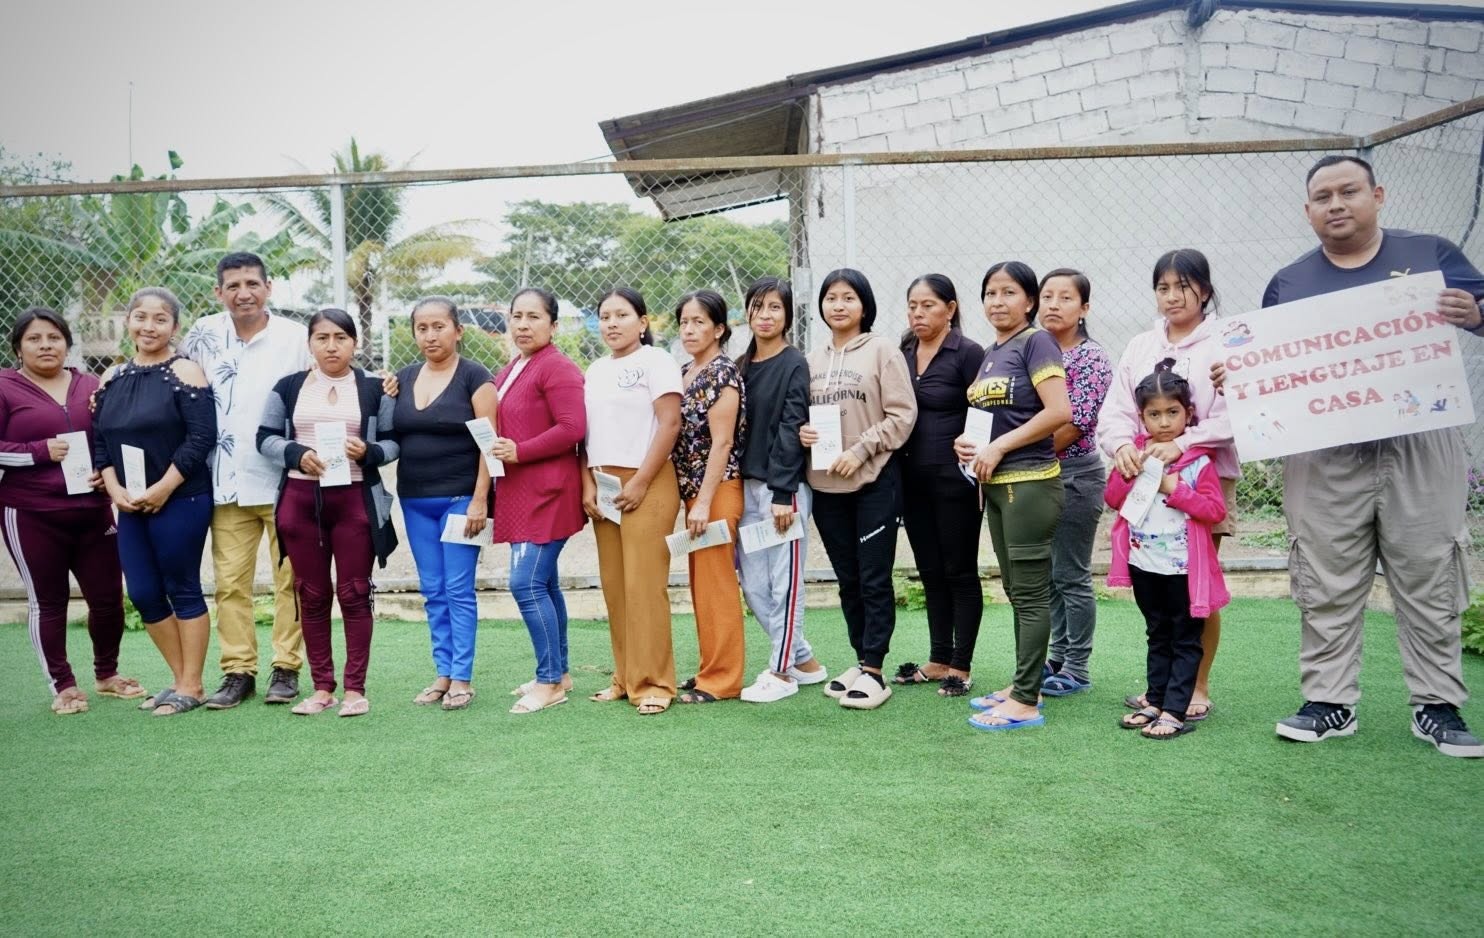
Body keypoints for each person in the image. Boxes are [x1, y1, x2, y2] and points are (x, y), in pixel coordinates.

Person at [1230, 154, 1484, 757]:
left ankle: (1437, 705)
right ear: (1308, 210)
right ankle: (1329, 702)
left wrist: (1476, 315)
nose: (1336, 205)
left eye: (1349, 192)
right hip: (1324, 449)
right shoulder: (1289, 282)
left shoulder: (1430, 255)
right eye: (1323, 197)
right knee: (1324, 575)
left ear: (1378, 195)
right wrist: (1238, 374)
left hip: (1419, 439)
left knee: (1428, 567)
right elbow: (1271, 364)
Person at [1097, 249, 1234, 722]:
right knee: (1158, 594)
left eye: (1183, 287)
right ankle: (1162, 690)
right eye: (1163, 287)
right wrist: (1122, 447)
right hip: (1143, 484)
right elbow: (1117, 411)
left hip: (1201, 477)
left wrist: (1183, 444)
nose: (1172, 296)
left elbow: (1236, 415)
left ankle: (1196, 686)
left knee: (1197, 588)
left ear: (1205, 291)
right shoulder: (1141, 345)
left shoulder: (1225, 343)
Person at [179, 252, 309, 709]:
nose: (244, 293)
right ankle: (238, 672)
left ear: (268, 287)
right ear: (219, 292)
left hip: (285, 480)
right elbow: (168, 376)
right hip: (224, 481)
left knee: (291, 580)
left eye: (252, 283)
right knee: (230, 584)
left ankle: (286, 668)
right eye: (233, 286)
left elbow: (333, 375)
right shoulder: (202, 334)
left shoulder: (296, 337)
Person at [256, 308, 399, 718]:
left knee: (354, 592)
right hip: (301, 500)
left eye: (341, 337)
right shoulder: (288, 387)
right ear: (310, 344)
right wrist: (296, 454)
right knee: (312, 594)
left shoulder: (375, 389)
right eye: (322, 338)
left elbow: (392, 443)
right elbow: (264, 438)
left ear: (355, 343)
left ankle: (355, 689)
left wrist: (368, 451)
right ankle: (322, 688)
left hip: (355, 499)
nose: (331, 346)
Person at [0, 308, 141, 715]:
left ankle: (107, 674)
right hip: (31, 512)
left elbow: (111, 438)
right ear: (18, 348)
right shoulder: (6, 387)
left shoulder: (91, 385)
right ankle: (62, 685)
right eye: (34, 339)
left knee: (108, 598)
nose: (45, 345)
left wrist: (106, 473)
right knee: (48, 601)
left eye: (54, 337)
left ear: (67, 343)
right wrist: (38, 452)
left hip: (93, 510)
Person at [92, 288, 217, 716]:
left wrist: (164, 487)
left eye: (160, 319)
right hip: (130, 503)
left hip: (181, 497)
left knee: (182, 587)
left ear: (174, 327)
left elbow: (201, 437)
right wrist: (115, 490)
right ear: (128, 321)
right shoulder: (112, 377)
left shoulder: (185, 371)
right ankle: (180, 680)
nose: (149, 326)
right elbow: (100, 443)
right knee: (144, 592)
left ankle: (192, 684)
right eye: (140, 317)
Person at [959, 261, 1071, 732]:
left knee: (1030, 593)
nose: (998, 302)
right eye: (990, 293)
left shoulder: (1036, 341)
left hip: (1030, 483)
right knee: (1016, 591)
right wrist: (970, 445)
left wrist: (1001, 446)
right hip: (996, 486)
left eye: (1009, 292)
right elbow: (994, 421)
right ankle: (1025, 684)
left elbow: (1059, 411)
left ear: (1029, 301)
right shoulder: (991, 352)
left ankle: (1025, 700)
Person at [800, 268, 917, 710]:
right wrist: (802, 433)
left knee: (872, 577)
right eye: (831, 297)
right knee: (848, 580)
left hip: (873, 481)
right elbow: (800, 416)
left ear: (864, 305)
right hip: (825, 485)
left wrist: (862, 450)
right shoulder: (811, 360)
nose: (839, 305)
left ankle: (875, 670)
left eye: (848, 297)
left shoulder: (882, 350)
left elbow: (902, 415)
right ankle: (860, 660)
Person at [1106, 366, 1228, 740]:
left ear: (1188, 414)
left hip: (1184, 570)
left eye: (1172, 412)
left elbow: (1215, 511)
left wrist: (1173, 488)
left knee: (1185, 638)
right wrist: (1127, 472)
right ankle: (1155, 702)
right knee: (1157, 633)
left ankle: (1175, 711)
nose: (1163, 423)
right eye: (1154, 414)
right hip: (1144, 564)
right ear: (1141, 417)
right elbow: (1113, 498)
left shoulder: (1199, 461)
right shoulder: (1136, 454)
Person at [580, 287, 682, 716]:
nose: (612, 323)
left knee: (644, 586)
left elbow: (670, 423)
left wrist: (640, 481)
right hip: (603, 485)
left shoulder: (657, 362)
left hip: (648, 481)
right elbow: (585, 434)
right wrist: (587, 483)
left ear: (642, 323)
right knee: (616, 586)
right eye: (605, 316)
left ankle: (655, 683)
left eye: (621, 315)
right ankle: (624, 677)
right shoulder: (595, 370)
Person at [393, 296, 494, 712]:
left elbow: (490, 445)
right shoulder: (402, 378)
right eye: (422, 328)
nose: (430, 335)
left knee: (457, 589)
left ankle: (462, 677)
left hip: (460, 501)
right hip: (415, 501)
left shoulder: (476, 377)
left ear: (458, 331)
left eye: (439, 326)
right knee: (433, 590)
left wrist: (479, 500)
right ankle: (443, 673)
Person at [489, 287, 587, 715]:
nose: (523, 325)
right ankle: (558, 673)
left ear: (554, 325)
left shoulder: (558, 368)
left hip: (548, 493)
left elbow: (572, 428)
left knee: (525, 583)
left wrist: (521, 451)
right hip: (520, 492)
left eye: (534, 317)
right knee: (543, 583)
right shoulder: (514, 367)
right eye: (517, 316)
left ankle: (550, 683)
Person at [735, 277, 829, 703]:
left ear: (789, 315)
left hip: (782, 492)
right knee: (754, 586)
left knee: (784, 585)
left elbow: (793, 427)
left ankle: (781, 671)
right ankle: (804, 660)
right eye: (758, 307)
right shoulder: (741, 365)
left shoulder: (794, 364)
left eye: (775, 307)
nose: (765, 315)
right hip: (747, 489)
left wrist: (781, 493)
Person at [893, 274, 986, 698]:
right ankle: (937, 658)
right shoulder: (903, 351)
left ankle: (960, 666)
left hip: (955, 480)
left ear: (950, 309)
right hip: (911, 481)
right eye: (913, 305)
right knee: (930, 570)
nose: (918, 313)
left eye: (928, 305)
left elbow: (984, 413)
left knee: (959, 571)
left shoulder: (968, 353)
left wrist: (975, 456)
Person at [1037, 269, 1112, 696]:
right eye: (1047, 296)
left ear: (1084, 308)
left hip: (1074, 475)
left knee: (1071, 574)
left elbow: (1075, 423)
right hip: (1039, 474)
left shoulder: (1090, 358)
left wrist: (1022, 453)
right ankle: (1059, 657)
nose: (1053, 305)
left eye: (1065, 298)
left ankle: (1078, 668)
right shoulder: (1035, 349)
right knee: (1051, 574)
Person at [671, 290, 747, 704]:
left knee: (717, 585)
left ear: (719, 329)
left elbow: (722, 443)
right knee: (701, 585)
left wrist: (702, 502)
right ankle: (708, 668)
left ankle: (722, 680)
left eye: (699, 322)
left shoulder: (722, 373)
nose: (689, 329)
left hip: (716, 493)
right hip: (692, 493)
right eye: (684, 322)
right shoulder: (686, 370)